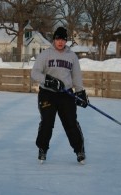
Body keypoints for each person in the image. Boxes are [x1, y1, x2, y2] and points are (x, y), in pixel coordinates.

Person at [31, 27, 89, 164]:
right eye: (58, 39)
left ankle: (79, 150)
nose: (60, 42)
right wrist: (48, 81)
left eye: (63, 39)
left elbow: (76, 76)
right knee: (47, 122)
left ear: (66, 41)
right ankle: (42, 149)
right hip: (47, 94)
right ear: (54, 40)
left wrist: (80, 92)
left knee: (71, 123)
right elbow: (34, 73)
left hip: (66, 94)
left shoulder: (72, 56)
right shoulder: (45, 54)